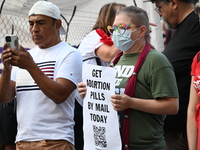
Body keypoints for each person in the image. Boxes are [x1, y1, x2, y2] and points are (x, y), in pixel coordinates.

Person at [78, 6, 179, 150]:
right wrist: (92, 92)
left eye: (122, 28)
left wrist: (131, 102)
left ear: (142, 31)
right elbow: (113, 97)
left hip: (146, 146)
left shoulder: (156, 60)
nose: (116, 34)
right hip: (116, 145)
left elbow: (171, 106)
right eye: (113, 29)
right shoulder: (116, 60)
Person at [0, 1, 82, 150]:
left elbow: (59, 95)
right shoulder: (27, 56)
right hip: (23, 140)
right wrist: (7, 69)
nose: (34, 29)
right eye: (31, 23)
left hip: (55, 140)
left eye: (41, 23)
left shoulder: (70, 53)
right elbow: (5, 97)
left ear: (57, 24)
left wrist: (31, 66)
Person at [147, 0, 200, 149]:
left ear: (173, 3)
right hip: (176, 129)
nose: (160, 13)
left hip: (185, 132)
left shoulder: (195, 27)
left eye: (159, 7)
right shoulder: (183, 29)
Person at [74, 3, 125, 150]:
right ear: (109, 19)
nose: (125, 19)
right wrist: (128, 33)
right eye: (121, 15)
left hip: (105, 108)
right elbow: (109, 55)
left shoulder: (116, 40)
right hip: (86, 107)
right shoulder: (94, 36)